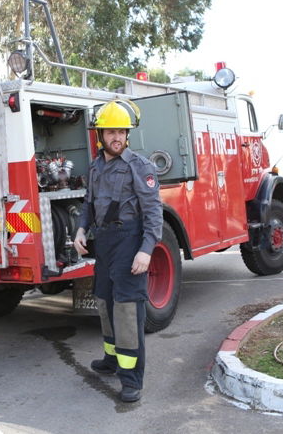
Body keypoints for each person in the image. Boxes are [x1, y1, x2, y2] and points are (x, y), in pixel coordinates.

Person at [73, 99, 163, 403]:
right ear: (101, 135)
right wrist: (81, 229)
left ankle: (131, 378)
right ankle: (111, 360)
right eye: (110, 131)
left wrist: (146, 250)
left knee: (126, 309)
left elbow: (153, 214)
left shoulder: (140, 167)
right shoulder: (96, 166)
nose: (116, 137)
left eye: (121, 132)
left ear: (128, 135)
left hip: (129, 240)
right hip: (105, 242)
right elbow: (88, 204)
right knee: (105, 301)